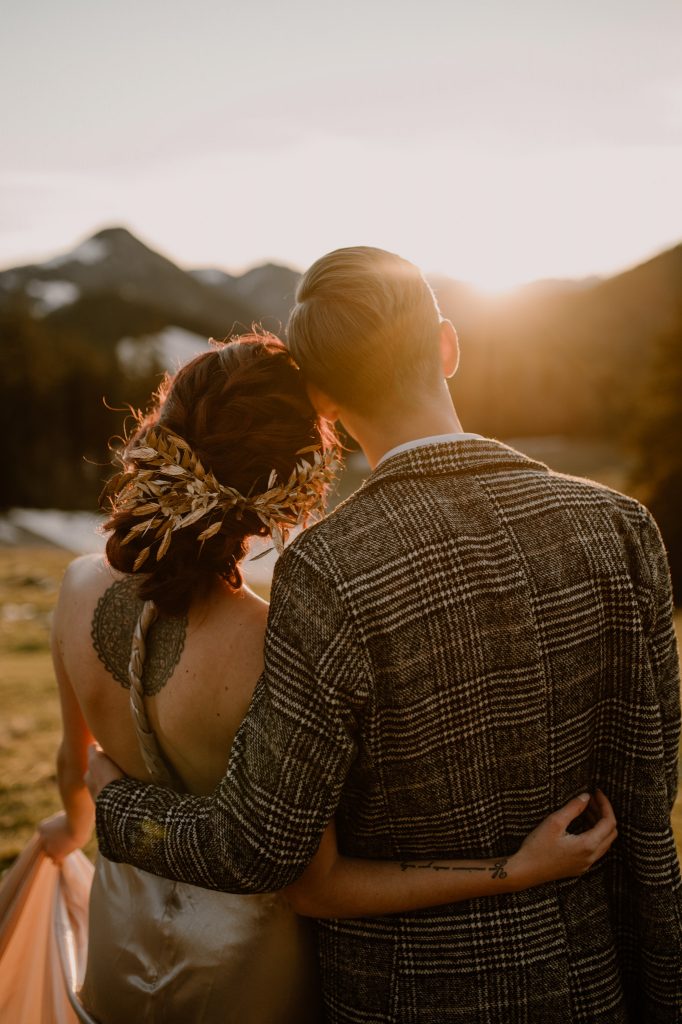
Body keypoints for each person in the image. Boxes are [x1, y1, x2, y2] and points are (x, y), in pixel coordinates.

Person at [88, 249, 681, 1022]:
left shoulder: (328, 570)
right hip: (590, 988)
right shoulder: (622, 528)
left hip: (402, 1002)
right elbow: (648, 800)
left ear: (324, 402)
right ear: (447, 345)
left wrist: (115, 802)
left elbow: (260, 845)